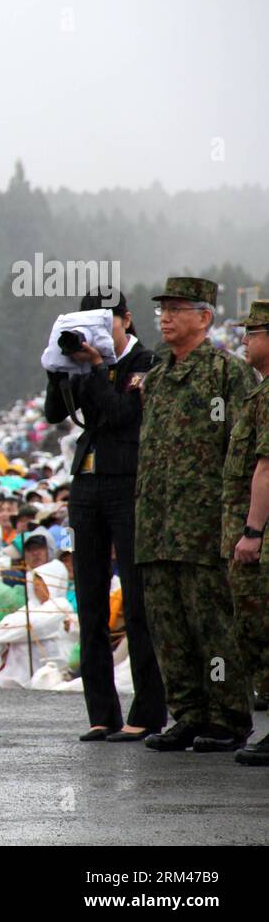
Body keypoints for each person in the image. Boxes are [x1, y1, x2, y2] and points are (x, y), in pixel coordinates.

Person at [137, 277, 257, 753]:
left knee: (214, 624)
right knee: (168, 626)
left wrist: (244, 523)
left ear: (204, 317)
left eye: (176, 308)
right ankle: (186, 713)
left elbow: (245, 450)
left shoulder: (228, 374)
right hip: (157, 524)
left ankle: (227, 717)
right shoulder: (159, 375)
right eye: (161, 309)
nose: (165, 317)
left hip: (206, 525)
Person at [43, 289, 166, 743]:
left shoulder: (146, 364)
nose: (96, 334)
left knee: (137, 602)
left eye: (106, 323)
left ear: (126, 321)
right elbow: (55, 412)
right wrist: (59, 368)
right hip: (86, 484)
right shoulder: (81, 363)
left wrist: (96, 368)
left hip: (127, 480)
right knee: (90, 602)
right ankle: (101, 714)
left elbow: (118, 415)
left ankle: (148, 712)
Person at [221, 299, 269, 766]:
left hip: (263, 535)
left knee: (262, 626)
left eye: (253, 333)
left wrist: (252, 531)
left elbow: (266, 469)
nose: (246, 341)